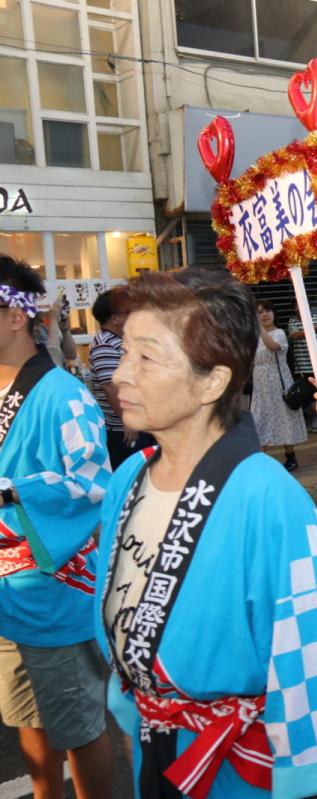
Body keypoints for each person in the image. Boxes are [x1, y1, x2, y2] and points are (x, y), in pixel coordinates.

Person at [96, 268, 317, 797]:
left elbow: (311, 664)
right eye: (124, 353)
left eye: (146, 357)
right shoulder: (128, 479)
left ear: (213, 381)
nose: (121, 375)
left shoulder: (268, 498)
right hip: (156, 748)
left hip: (242, 769)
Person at [0, 256, 114, 799]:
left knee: (78, 727)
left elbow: (93, 485)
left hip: (55, 588)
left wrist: (13, 490)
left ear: (15, 316)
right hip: (7, 592)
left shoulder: (64, 395)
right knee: (27, 717)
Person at [90, 288, 149, 467]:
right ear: (114, 318)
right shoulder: (104, 345)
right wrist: (128, 419)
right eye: (127, 312)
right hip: (123, 430)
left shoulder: (122, 340)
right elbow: (111, 387)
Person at [249, 300, 307, 471]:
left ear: (274, 314)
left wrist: (259, 328)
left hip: (278, 382)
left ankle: (290, 455)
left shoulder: (279, 333)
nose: (264, 314)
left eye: (268, 311)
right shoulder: (252, 336)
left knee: (284, 417)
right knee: (259, 417)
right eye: (260, 312)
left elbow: (272, 346)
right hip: (260, 383)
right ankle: (260, 457)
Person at [287, 300, 317, 432]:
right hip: (302, 368)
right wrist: (312, 329)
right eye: (296, 308)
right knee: (307, 396)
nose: (298, 311)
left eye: (300, 307)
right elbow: (294, 335)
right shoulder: (293, 321)